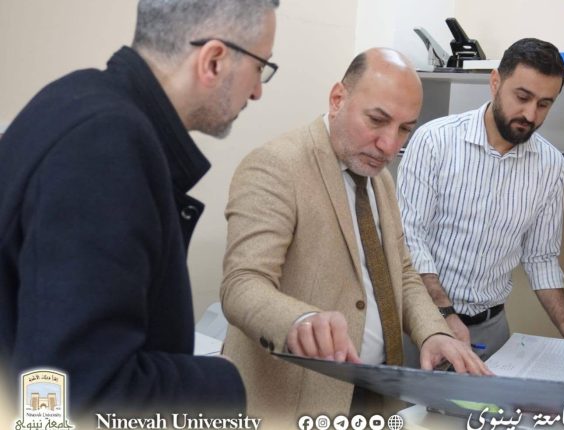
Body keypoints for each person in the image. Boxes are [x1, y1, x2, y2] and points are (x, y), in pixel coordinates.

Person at [0, 0, 279, 415]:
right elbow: (81, 391)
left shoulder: (74, 99)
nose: (257, 90)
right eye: (261, 67)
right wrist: (221, 383)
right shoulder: (106, 147)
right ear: (214, 61)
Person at [220, 47, 492, 424]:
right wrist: (299, 320)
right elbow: (242, 284)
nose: (390, 145)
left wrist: (434, 333)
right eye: (377, 120)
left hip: (374, 395)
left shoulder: (379, 179)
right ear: (337, 99)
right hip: (297, 399)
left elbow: (402, 274)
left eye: (405, 129)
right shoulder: (276, 166)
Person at [397, 38, 564, 361]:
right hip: (422, 321)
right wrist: (443, 312)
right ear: (495, 82)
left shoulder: (550, 165)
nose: (530, 114)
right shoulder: (434, 141)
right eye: (522, 97)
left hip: (492, 330)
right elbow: (409, 238)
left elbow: (541, 256)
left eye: (544, 104)